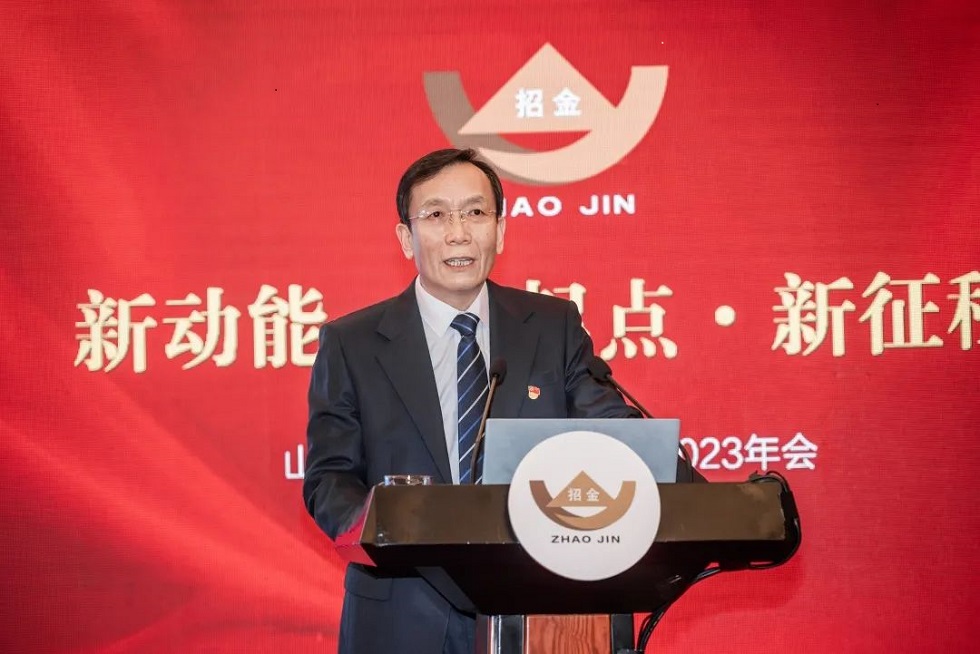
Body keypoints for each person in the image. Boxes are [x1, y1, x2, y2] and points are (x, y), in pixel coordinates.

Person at [303, 148, 644, 654]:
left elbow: (613, 435)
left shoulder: (552, 327)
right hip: (403, 610)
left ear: (499, 231)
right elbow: (329, 479)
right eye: (436, 215)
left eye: (475, 212)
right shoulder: (352, 343)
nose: (458, 233)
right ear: (406, 238)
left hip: (541, 608)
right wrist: (390, 531)